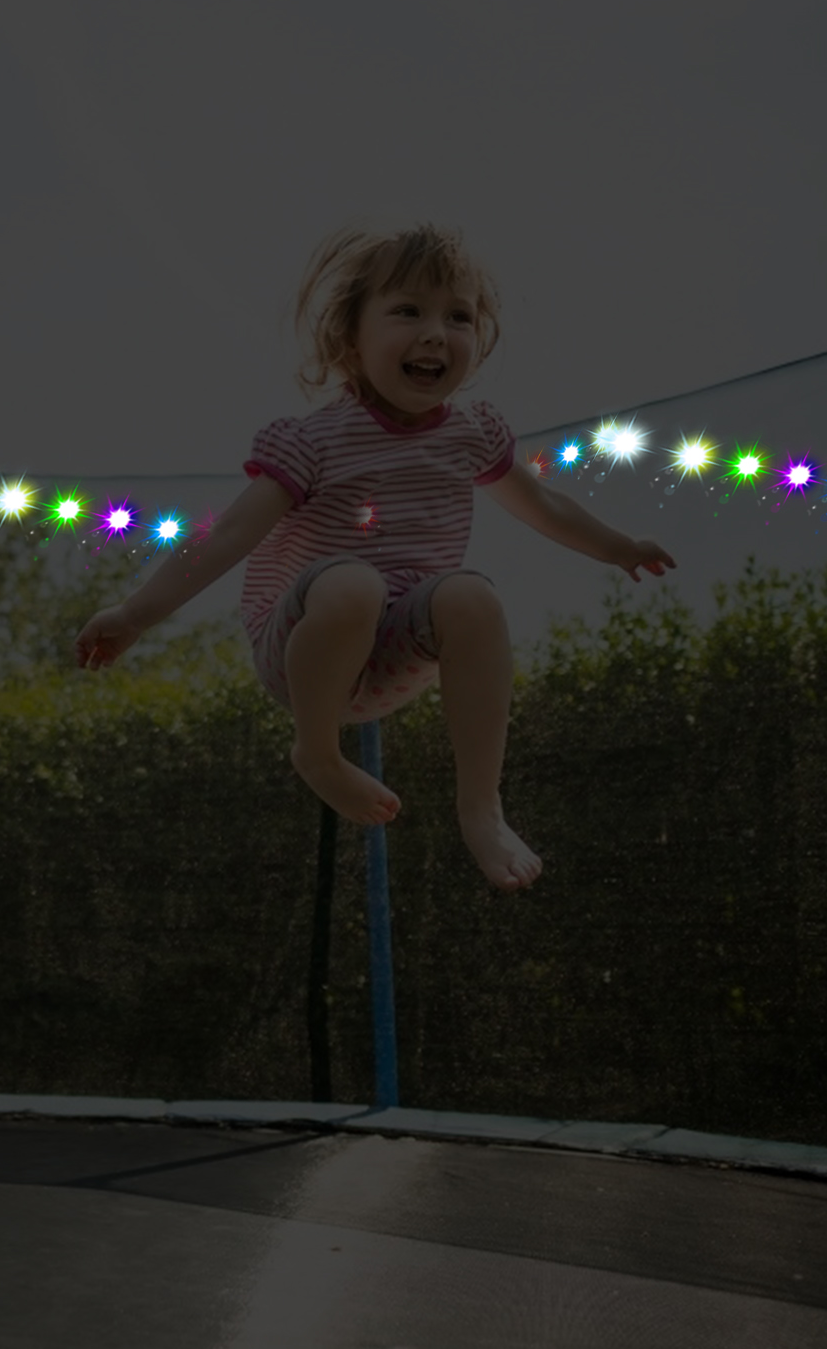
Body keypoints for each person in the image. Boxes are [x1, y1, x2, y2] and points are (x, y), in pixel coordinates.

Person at [74, 222, 675, 892]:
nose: (435, 334)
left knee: (472, 595)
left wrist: (618, 547)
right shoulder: (314, 442)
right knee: (353, 583)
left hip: (395, 655)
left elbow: (544, 505)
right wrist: (134, 614)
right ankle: (317, 752)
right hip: (300, 649)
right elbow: (229, 535)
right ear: (349, 339)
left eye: (458, 316)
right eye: (408, 311)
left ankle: (481, 808)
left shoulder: (471, 434)